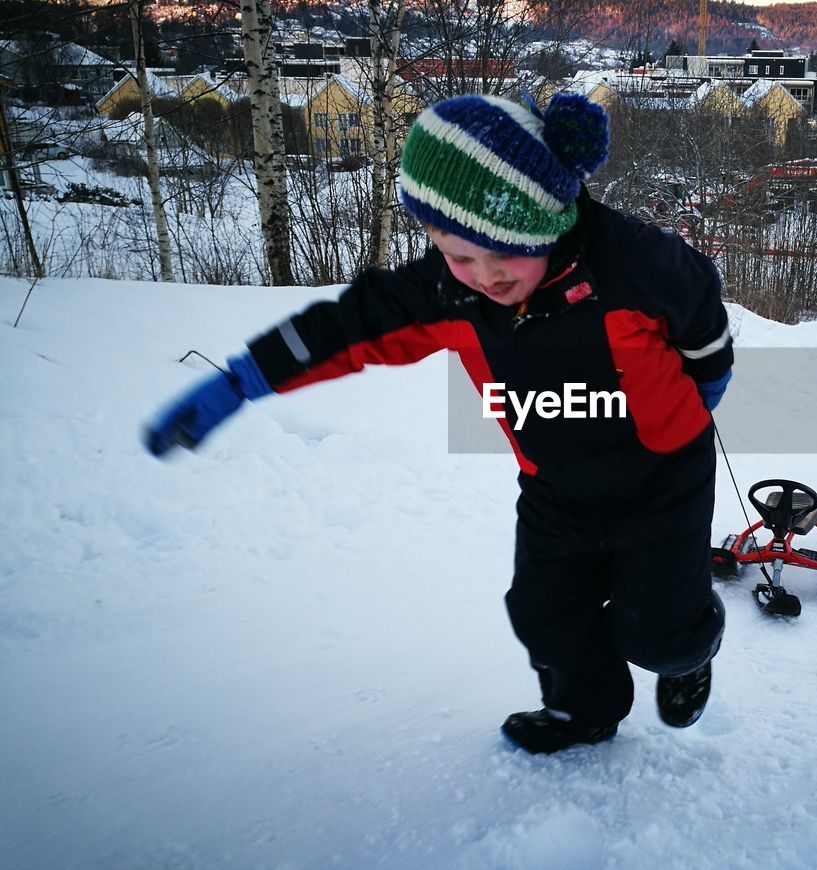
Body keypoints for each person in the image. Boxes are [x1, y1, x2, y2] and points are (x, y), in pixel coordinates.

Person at [142, 93, 734, 755]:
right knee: (544, 615)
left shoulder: (636, 265)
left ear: (546, 216)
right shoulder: (450, 293)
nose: (484, 276)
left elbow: (703, 322)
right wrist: (244, 380)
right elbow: (349, 327)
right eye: (458, 255)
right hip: (555, 485)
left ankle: (688, 655)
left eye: (503, 253)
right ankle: (585, 711)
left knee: (658, 630)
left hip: (661, 476)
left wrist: (706, 387)